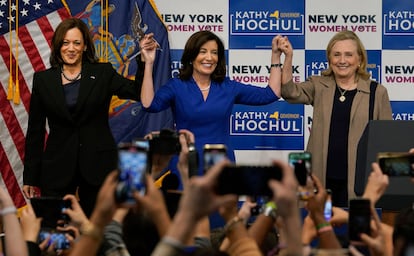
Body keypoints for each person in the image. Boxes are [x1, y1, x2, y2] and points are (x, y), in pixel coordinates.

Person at [22, 18, 146, 216]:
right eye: (65, 42)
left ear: (85, 46)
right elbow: (35, 132)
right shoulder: (43, 80)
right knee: (55, 234)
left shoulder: (103, 72)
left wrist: (144, 62)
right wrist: (30, 177)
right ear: (57, 46)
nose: (71, 48)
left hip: (98, 167)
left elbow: (138, 93)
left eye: (76, 43)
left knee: (97, 232)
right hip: (57, 168)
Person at [140, 30, 283, 174]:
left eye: (214, 53)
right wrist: (149, 64)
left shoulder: (228, 87)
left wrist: (276, 57)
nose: (209, 57)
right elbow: (149, 104)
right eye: (203, 51)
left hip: (220, 164)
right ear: (191, 56)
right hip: (185, 164)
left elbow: (271, 94)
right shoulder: (177, 86)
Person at [279, 30, 392, 206]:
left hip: (358, 184)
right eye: (336, 54)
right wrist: (288, 58)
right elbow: (288, 92)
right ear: (329, 59)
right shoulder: (318, 85)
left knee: (353, 232)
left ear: (360, 59)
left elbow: (386, 140)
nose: (342, 60)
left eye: (349, 55)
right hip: (320, 179)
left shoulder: (377, 92)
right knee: (319, 229)